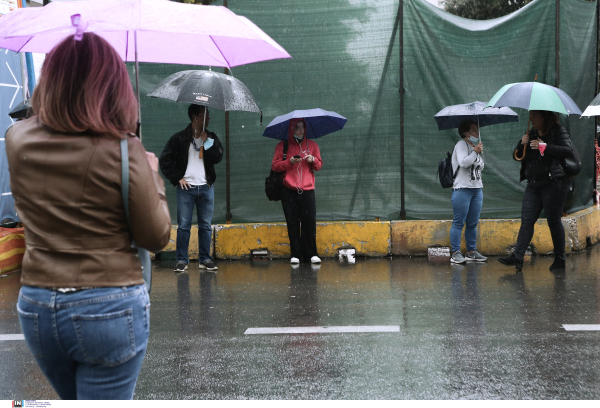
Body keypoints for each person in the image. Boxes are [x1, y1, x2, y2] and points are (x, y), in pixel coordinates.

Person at [5, 33, 171, 400]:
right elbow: (156, 236)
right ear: (110, 85)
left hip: (37, 306)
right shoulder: (124, 149)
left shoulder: (17, 140)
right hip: (108, 308)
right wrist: (152, 174)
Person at [498, 110, 574, 272]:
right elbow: (518, 156)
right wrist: (521, 143)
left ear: (544, 117)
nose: (531, 119)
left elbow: (567, 150)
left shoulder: (557, 131)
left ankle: (560, 258)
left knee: (553, 221)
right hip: (533, 185)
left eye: (535, 116)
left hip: (554, 184)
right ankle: (518, 256)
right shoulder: (530, 133)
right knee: (527, 220)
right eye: (531, 116)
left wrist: (545, 147)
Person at [159, 104, 223, 273]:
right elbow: (164, 160)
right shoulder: (179, 138)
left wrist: (207, 143)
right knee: (184, 226)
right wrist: (177, 178)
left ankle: (205, 259)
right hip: (186, 189)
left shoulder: (211, 137)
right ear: (195, 118)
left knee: (205, 226)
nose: (208, 119)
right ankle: (181, 260)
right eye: (205, 115)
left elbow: (218, 157)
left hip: (206, 187)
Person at [272, 119, 323, 264]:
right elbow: (275, 166)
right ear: (291, 129)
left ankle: (311, 254)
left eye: (303, 127)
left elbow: (319, 165)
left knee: (309, 222)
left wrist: (313, 159)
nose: (300, 130)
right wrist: (289, 162)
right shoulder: (283, 145)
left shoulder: (312, 145)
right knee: (292, 222)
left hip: (307, 190)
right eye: (297, 127)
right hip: (288, 190)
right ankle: (295, 254)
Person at [449, 120, 487, 264]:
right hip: (462, 189)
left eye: (478, 131)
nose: (477, 134)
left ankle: (471, 252)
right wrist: (475, 152)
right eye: (474, 131)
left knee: (472, 223)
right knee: (459, 222)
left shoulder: (475, 147)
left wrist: (477, 152)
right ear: (466, 133)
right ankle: (456, 253)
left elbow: (480, 166)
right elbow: (463, 162)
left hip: (477, 189)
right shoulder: (461, 145)